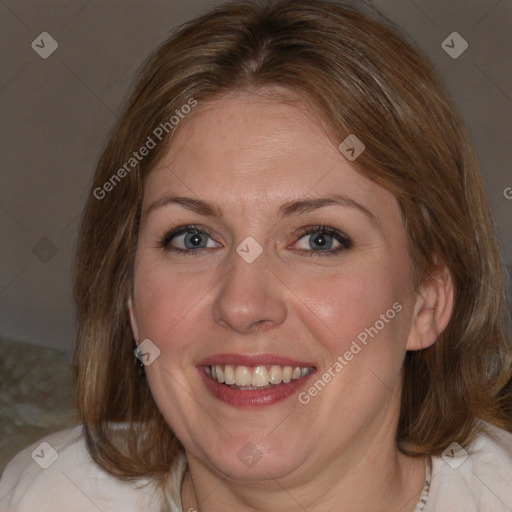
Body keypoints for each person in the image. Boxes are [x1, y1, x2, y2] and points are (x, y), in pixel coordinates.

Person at [1, 0, 511, 510]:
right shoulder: (48, 492)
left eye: (319, 239)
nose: (242, 306)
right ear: (132, 301)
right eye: (193, 239)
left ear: (427, 300)